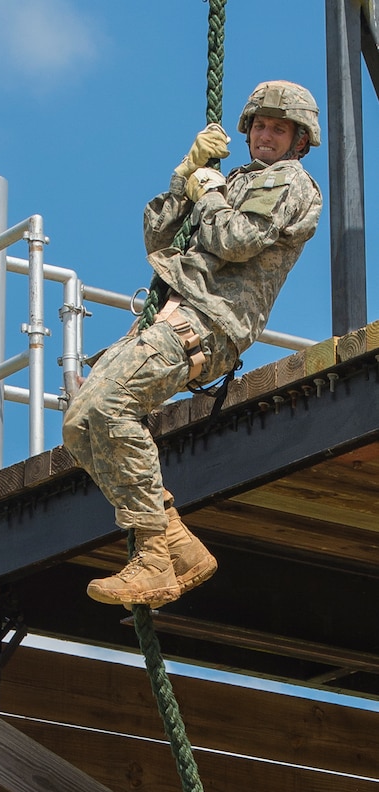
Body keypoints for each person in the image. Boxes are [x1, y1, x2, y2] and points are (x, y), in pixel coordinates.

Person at [63, 80, 323, 608]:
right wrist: (186, 176)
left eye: (279, 128)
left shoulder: (292, 185)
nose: (266, 136)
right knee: (81, 424)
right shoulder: (230, 182)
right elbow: (159, 240)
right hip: (175, 315)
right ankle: (176, 542)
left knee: (110, 407)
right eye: (260, 126)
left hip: (206, 323)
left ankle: (155, 557)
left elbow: (235, 239)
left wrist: (206, 193)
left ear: (298, 140)